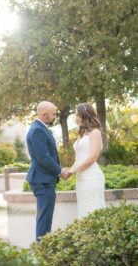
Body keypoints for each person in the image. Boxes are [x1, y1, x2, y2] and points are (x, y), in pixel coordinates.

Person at [26, 101, 70, 242]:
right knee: (44, 220)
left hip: (43, 179)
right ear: (44, 115)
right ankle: (42, 255)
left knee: (44, 219)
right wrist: (60, 172)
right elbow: (43, 158)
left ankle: (43, 252)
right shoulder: (38, 130)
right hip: (43, 180)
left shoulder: (39, 128)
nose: (55, 116)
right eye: (53, 114)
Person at [69, 103, 106, 219]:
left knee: (93, 209)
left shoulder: (96, 132)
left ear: (84, 115)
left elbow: (93, 157)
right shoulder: (83, 133)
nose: (75, 118)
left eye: (77, 115)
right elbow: (79, 157)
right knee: (84, 209)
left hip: (92, 178)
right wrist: (70, 171)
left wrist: (74, 170)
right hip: (81, 179)